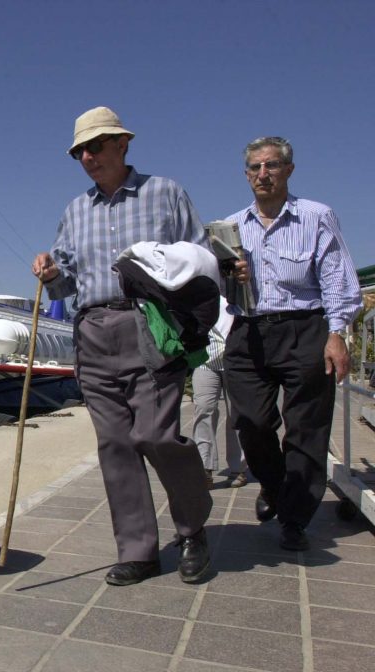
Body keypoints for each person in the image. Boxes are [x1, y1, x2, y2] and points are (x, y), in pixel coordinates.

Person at [32, 107, 235, 586]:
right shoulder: (74, 211)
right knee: (116, 445)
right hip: (93, 330)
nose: (87, 156)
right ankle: (139, 550)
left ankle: (193, 528)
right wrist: (50, 272)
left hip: (150, 325)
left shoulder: (165, 193)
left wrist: (197, 324)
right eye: (79, 150)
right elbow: (65, 283)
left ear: (123, 144)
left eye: (96, 145)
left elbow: (201, 260)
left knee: (156, 436)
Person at [223, 137, 362, 551]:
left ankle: (295, 519)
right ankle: (273, 483)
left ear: (288, 170)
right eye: (253, 168)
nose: (262, 174)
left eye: (271, 166)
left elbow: (337, 278)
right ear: (246, 174)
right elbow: (215, 288)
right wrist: (230, 276)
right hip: (248, 332)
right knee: (251, 421)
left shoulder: (316, 216)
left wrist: (336, 333)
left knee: (306, 429)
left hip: (305, 328)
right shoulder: (230, 227)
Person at [191, 298, 247, 489]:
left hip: (236, 361)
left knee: (235, 415)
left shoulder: (239, 294)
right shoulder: (204, 291)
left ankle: (237, 468)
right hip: (206, 360)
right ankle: (204, 468)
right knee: (204, 409)